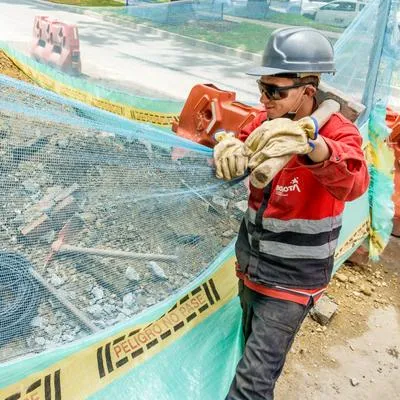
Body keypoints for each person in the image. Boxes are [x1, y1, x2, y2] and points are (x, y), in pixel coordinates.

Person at [213, 27, 369, 400]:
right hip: (251, 269)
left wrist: (313, 148)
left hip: (293, 284)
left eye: (274, 91)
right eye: (262, 88)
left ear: (307, 91)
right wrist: (228, 143)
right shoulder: (266, 121)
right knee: (253, 357)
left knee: (251, 386)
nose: (264, 98)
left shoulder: (337, 132)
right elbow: (239, 135)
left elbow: (355, 182)